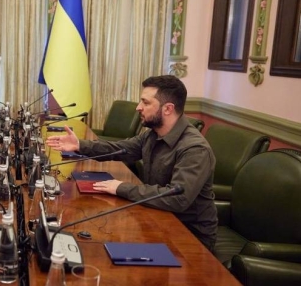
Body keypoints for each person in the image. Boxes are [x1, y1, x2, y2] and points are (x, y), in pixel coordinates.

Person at [46, 75, 217, 250]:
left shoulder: (194, 149)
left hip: (189, 237)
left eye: (146, 103)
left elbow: (178, 199)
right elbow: (121, 148)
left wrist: (121, 187)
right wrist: (80, 145)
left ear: (168, 109)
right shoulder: (152, 134)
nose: (138, 107)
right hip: (158, 216)